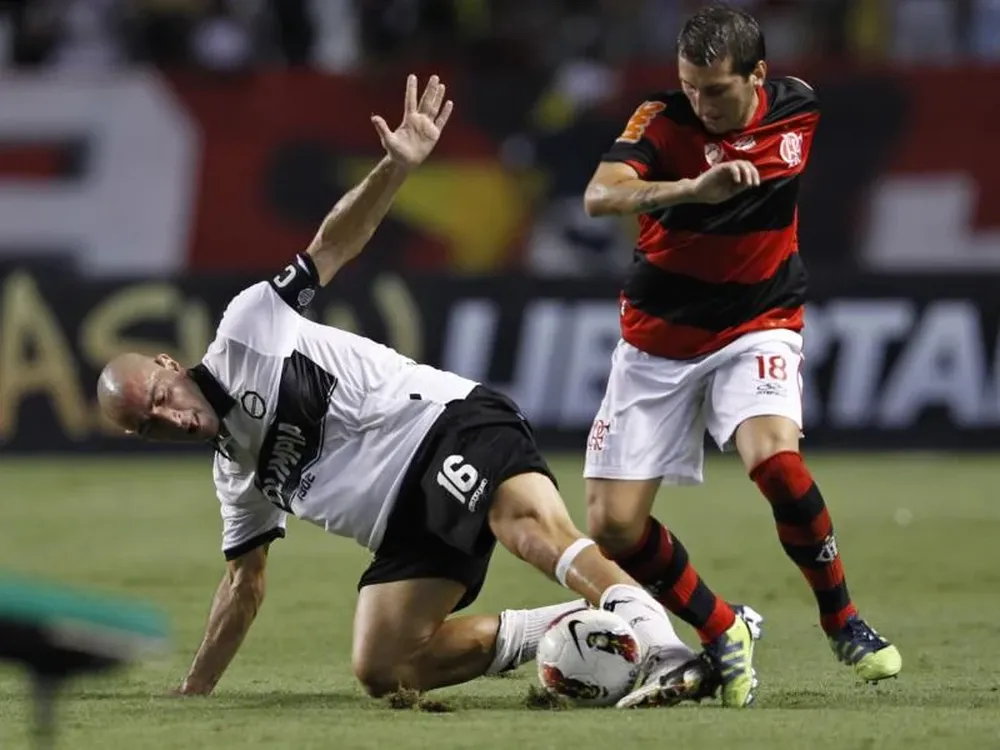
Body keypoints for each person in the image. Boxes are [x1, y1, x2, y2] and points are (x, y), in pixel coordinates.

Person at [96, 74, 759, 709]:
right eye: (149, 425)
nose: (169, 418)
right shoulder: (237, 472)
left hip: (445, 427)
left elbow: (334, 243)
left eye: (159, 397)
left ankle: (662, 646)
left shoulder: (245, 332)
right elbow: (244, 583)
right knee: (385, 666)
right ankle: (587, 621)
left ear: (168, 363)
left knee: (528, 528)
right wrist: (195, 689)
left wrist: (396, 168)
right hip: (406, 525)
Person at [582, 5, 901, 708]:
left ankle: (843, 620)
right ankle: (724, 628)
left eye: (716, 90)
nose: (701, 103)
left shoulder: (798, 108)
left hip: (759, 321)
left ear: (758, 75)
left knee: (777, 462)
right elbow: (600, 196)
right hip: (657, 340)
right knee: (611, 527)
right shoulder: (661, 120)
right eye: (690, 86)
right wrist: (689, 190)